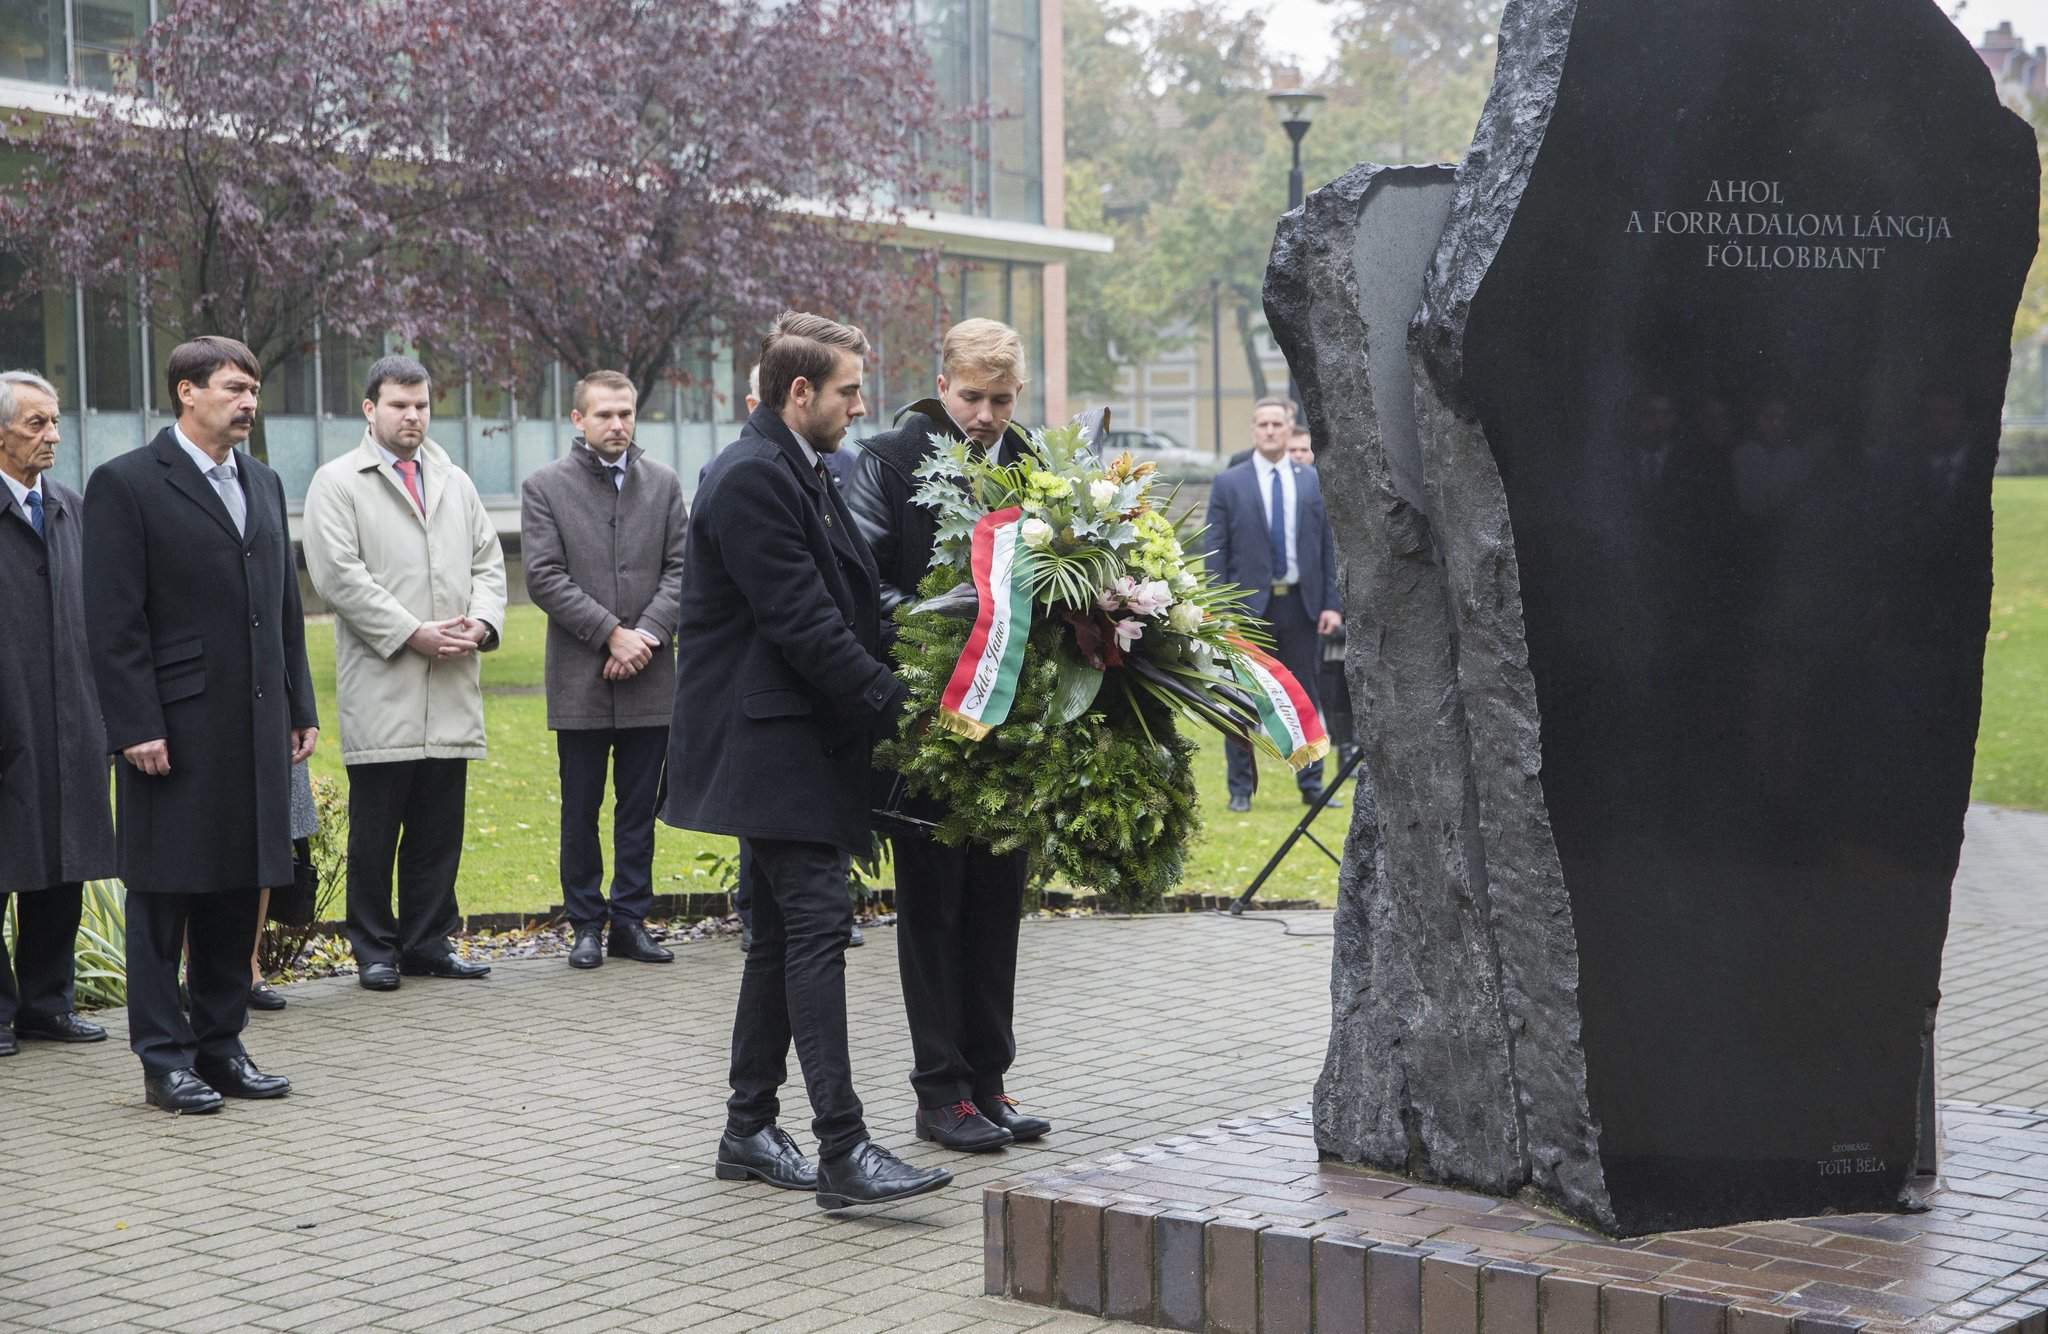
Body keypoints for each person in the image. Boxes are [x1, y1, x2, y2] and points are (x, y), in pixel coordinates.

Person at [662, 311, 950, 1211]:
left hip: (792, 741)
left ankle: (748, 1127)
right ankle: (843, 1149)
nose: (860, 407)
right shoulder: (753, 476)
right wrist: (898, 708)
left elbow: (846, 605)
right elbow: (804, 623)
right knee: (817, 931)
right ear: (799, 392)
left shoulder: (798, 466)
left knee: (783, 940)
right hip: (771, 747)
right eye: (848, 391)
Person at [84, 337, 316, 1112]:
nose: (249, 402)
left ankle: (221, 1045)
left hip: (254, 725)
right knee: (164, 895)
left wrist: (300, 707)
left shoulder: (263, 480)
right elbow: (113, 622)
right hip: (172, 730)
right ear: (186, 391)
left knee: (236, 888)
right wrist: (134, 725)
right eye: (233, 388)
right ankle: (163, 1060)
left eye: (253, 389)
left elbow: (284, 607)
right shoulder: (126, 484)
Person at [845, 318, 1052, 1153]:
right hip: (928, 719)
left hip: (1014, 724)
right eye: (971, 397)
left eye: (1001, 399)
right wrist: (942, 622)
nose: (986, 416)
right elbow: (858, 585)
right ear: (941, 385)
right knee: (934, 911)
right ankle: (940, 1094)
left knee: (998, 907)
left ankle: (988, 1081)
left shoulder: (1036, 466)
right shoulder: (888, 461)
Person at [301, 356, 507, 993]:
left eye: (421, 405)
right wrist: (412, 631)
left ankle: (428, 942)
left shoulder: (455, 481)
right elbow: (338, 576)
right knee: (376, 831)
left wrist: (482, 622)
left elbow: (488, 563)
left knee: (438, 829)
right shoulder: (338, 482)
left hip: (451, 682)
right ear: (371, 409)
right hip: (385, 681)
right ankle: (374, 948)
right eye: (399, 404)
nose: (413, 415)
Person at [521, 370, 687, 969]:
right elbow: (544, 576)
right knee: (581, 811)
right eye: (604, 415)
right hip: (580, 679)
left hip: (651, 678)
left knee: (639, 810)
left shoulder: (663, 484)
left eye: (626, 413)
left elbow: (682, 569)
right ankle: (586, 924)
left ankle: (631, 922)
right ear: (578, 419)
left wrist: (644, 636)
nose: (617, 425)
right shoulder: (545, 487)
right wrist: (611, 635)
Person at [0, 371, 116, 1056]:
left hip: (70, 719)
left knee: (63, 864)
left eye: (56, 421)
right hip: (9, 715)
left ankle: (48, 1004)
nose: (53, 436)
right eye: (36, 423)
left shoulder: (72, 508)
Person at [1204, 397, 1342, 812]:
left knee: (1305, 695)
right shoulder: (1229, 483)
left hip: (1302, 607)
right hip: (1246, 611)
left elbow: (1328, 547)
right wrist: (1219, 607)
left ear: (1289, 428)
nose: (1269, 430)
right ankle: (1240, 788)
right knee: (1243, 698)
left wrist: (1332, 604)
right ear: (1253, 429)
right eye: (1262, 424)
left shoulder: (1313, 481)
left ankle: (1312, 784)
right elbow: (1215, 549)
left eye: (1276, 424)